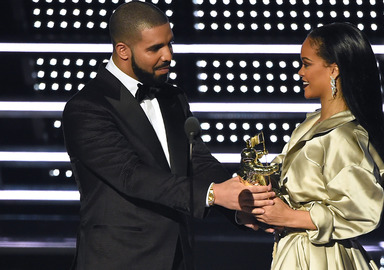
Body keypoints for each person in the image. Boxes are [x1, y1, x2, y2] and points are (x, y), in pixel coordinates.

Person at [62, 2, 274, 270]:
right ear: (123, 50)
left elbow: (197, 161)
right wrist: (212, 194)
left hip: (178, 256)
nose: (168, 55)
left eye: (169, 44)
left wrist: (238, 206)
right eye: (155, 49)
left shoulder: (173, 97)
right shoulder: (87, 107)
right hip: (118, 258)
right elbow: (131, 176)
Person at [238, 22, 384, 269]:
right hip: (295, 251)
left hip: (322, 257)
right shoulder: (310, 125)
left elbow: (362, 212)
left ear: (333, 70)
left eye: (307, 64)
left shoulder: (343, 136)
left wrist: (290, 216)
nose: (300, 72)